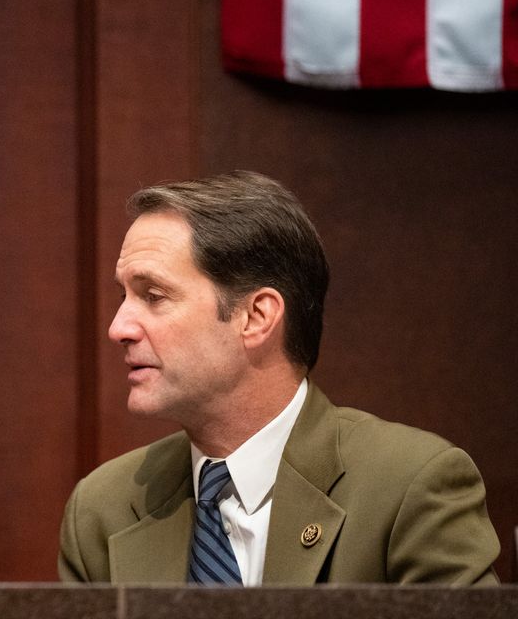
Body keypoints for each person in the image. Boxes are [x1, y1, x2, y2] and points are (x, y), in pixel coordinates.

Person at [59, 171, 499, 585]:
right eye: (124, 296)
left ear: (256, 316)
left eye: (153, 296)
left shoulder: (409, 486)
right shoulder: (103, 509)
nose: (118, 328)